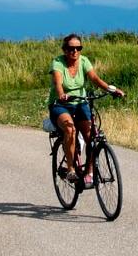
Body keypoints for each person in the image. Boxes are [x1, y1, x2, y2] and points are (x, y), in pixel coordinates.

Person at [49, 34, 124, 186]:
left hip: (81, 102)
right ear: (65, 50)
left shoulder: (84, 61)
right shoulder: (58, 62)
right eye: (71, 48)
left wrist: (112, 90)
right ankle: (71, 170)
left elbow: (95, 79)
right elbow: (57, 82)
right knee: (70, 129)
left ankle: (89, 173)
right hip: (61, 104)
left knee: (91, 136)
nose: (74, 51)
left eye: (78, 48)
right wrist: (62, 94)